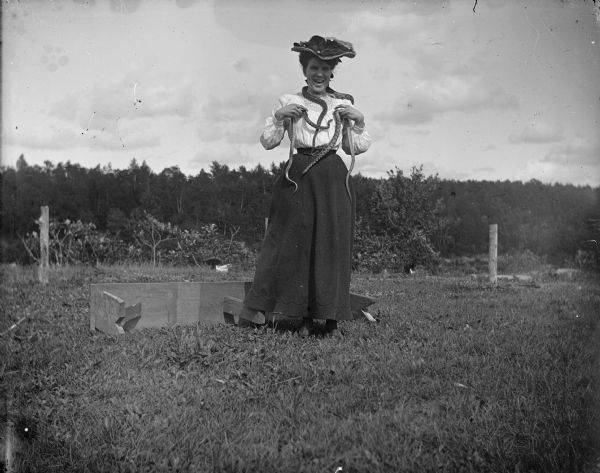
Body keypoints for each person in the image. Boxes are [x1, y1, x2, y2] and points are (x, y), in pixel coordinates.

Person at [241, 35, 372, 337]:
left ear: (332, 72)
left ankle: (330, 319)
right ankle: (300, 318)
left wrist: (360, 121)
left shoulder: (343, 104)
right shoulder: (290, 102)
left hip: (332, 179)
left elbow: (354, 148)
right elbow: (268, 142)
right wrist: (278, 119)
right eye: (314, 67)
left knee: (331, 244)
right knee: (294, 245)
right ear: (305, 69)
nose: (319, 74)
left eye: (326, 69)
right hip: (298, 176)